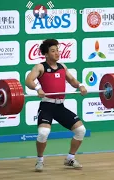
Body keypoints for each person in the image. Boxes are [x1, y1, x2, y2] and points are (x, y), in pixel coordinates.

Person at [25, 39, 88, 172]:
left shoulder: (62, 67)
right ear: (46, 54)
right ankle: (40, 161)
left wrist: (81, 85)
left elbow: (72, 80)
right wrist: (37, 88)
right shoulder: (40, 67)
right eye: (53, 51)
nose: (57, 53)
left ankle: (70, 159)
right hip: (47, 106)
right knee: (43, 132)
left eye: (57, 50)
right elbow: (28, 80)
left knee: (80, 130)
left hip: (60, 107)